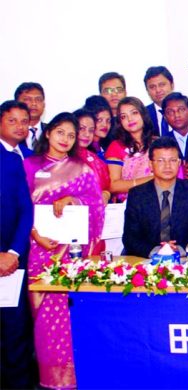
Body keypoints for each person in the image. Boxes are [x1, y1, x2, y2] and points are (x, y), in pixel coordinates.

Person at [24, 112, 104, 389]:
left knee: (70, 322)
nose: (66, 139)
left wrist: (73, 199)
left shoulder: (82, 169)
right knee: (44, 325)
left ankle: (75, 379)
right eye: (61, 133)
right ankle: (50, 380)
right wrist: (34, 234)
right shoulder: (29, 165)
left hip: (70, 256)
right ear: (48, 133)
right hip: (38, 252)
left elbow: (96, 208)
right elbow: (21, 209)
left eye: (71, 135)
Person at [123, 137, 188, 258]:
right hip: (148, 261)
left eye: (172, 160)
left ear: (179, 163)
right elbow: (130, 238)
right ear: (151, 164)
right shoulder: (137, 195)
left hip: (186, 260)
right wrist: (157, 251)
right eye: (160, 161)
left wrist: (179, 250)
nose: (167, 166)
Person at [0, 147, 37, 390]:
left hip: (10, 262)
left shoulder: (11, 160)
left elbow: (25, 209)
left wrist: (12, 252)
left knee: (14, 332)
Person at [104, 97, 156, 202]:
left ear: (143, 114)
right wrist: (151, 180)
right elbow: (113, 185)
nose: (130, 119)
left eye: (134, 113)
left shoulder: (157, 143)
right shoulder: (116, 146)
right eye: (124, 116)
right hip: (129, 205)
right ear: (120, 122)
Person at [143, 66, 188, 136]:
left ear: (172, 85)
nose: (158, 90)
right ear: (147, 91)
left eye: (162, 85)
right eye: (152, 87)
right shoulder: (143, 113)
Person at [74, 109, 111, 204]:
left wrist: (106, 194)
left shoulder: (95, 159)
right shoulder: (60, 157)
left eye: (91, 130)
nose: (87, 134)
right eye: (82, 128)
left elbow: (106, 187)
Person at [161, 92, 188, 156]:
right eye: (170, 112)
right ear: (165, 117)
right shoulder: (161, 143)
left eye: (181, 110)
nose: (177, 115)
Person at [14, 82, 46, 150]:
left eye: (38, 99)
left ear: (44, 104)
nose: (34, 103)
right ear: (16, 103)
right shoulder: (8, 132)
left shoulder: (51, 130)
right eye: (27, 99)